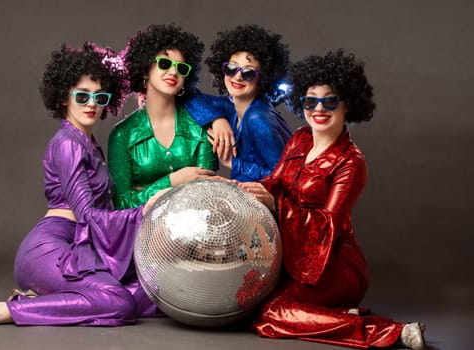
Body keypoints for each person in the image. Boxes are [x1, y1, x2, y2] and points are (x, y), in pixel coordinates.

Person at [0, 42, 165, 329]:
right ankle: (4, 310)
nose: (91, 104)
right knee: (119, 302)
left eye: (99, 97)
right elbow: (88, 216)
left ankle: (52, 298)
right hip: (50, 248)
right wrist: (145, 211)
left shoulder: (89, 144)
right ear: (64, 98)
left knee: (152, 292)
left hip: (83, 247)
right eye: (82, 96)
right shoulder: (68, 143)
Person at [238, 49, 426, 349]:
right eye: (310, 100)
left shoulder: (351, 162)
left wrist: (277, 206)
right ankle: (336, 315)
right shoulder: (300, 137)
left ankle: (390, 331)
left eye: (330, 100)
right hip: (292, 260)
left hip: (334, 266)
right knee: (248, 303)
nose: (319, 109)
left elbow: (327, 226)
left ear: (347, 104)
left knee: (271, 312)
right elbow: (275, 182)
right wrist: (240, 190)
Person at [108, 24, 217, 209]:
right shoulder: (122, 135)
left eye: (181, 68)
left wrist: (144, 191)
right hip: (140, 233)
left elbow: (205, 195)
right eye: (165, 64)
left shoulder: (200, 128)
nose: (173, 72)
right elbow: (122, 203)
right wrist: (172, 181)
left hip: (194, 229)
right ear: (145, 69)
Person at [184, 24, 292, 181]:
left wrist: (232, 162)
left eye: (248, 73)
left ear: (264, 78)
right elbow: (188, 95)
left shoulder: (258, 119)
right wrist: (217, 119)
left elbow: (283, 178)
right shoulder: (232, 107)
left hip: (266, 204)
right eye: (231, 68)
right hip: (246, 198)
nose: (237, 76)